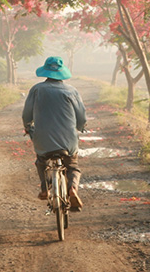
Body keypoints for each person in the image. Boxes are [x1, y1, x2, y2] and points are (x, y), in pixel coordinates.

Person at [22, 56, 86, 211]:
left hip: (43, 139)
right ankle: (73, 188)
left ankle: (45, 189)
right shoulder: (72, 91)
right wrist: (80, 127)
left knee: (41, 162)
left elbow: (26, 115)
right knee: (73, 166)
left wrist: (27, 127)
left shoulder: (36, 89)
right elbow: (81, 116)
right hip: (68, 141)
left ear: (46, 71)